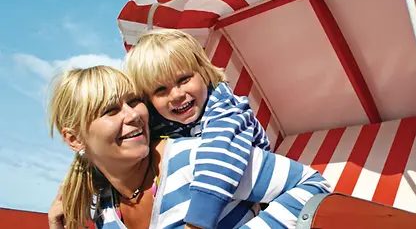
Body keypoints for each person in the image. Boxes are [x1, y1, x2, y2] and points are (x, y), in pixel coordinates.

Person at [47, 66, 331, 229]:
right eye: (110, 111)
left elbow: (313, 185)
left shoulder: (197, 158)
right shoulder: (103, 211)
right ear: (74, 139)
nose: (133, 115)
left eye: (134, 101)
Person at [123, 29, 272, 229]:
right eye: (160, 90)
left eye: (183, 79)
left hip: (256, 198)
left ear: (203, 72)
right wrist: (83, 174)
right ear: (148, 99)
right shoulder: (160, 121)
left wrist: (196, 224)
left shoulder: (227, 110)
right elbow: (117, 148)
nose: (176, 95)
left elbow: (220, 157)